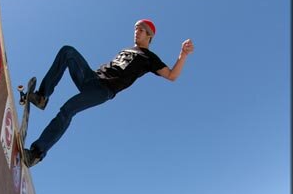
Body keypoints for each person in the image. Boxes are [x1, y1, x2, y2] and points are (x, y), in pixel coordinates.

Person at [23, 19, 194, 166]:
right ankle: (42, 97)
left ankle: (36, 153)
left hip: (104, 90)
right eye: (135, 28)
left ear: (149, 35)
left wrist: (183, 54)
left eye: (141, 30)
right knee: (67, 51)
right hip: (91, 78)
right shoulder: (127, 49)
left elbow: (172, 75)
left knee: (68, 110)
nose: (137, 32)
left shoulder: (149, 58)